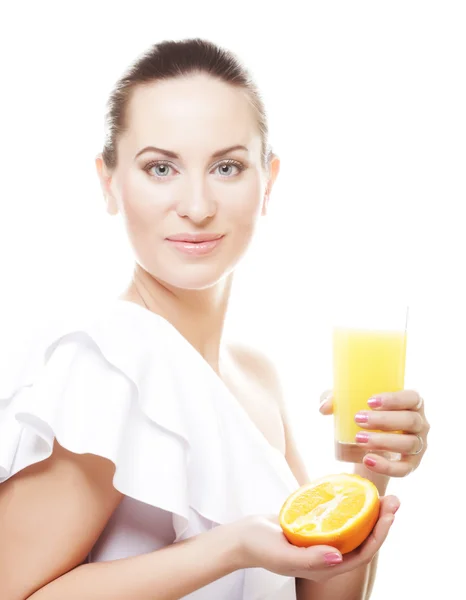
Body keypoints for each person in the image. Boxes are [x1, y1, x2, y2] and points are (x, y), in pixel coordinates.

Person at [0, 38, 429, 600]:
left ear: (267, 180)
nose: (198, 206)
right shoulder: (107, 355)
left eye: (227, 166)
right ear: (109, 181)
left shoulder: (257, 376)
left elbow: (318, 590)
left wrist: (369, 470)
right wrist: (228, 549)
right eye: (160, 168)